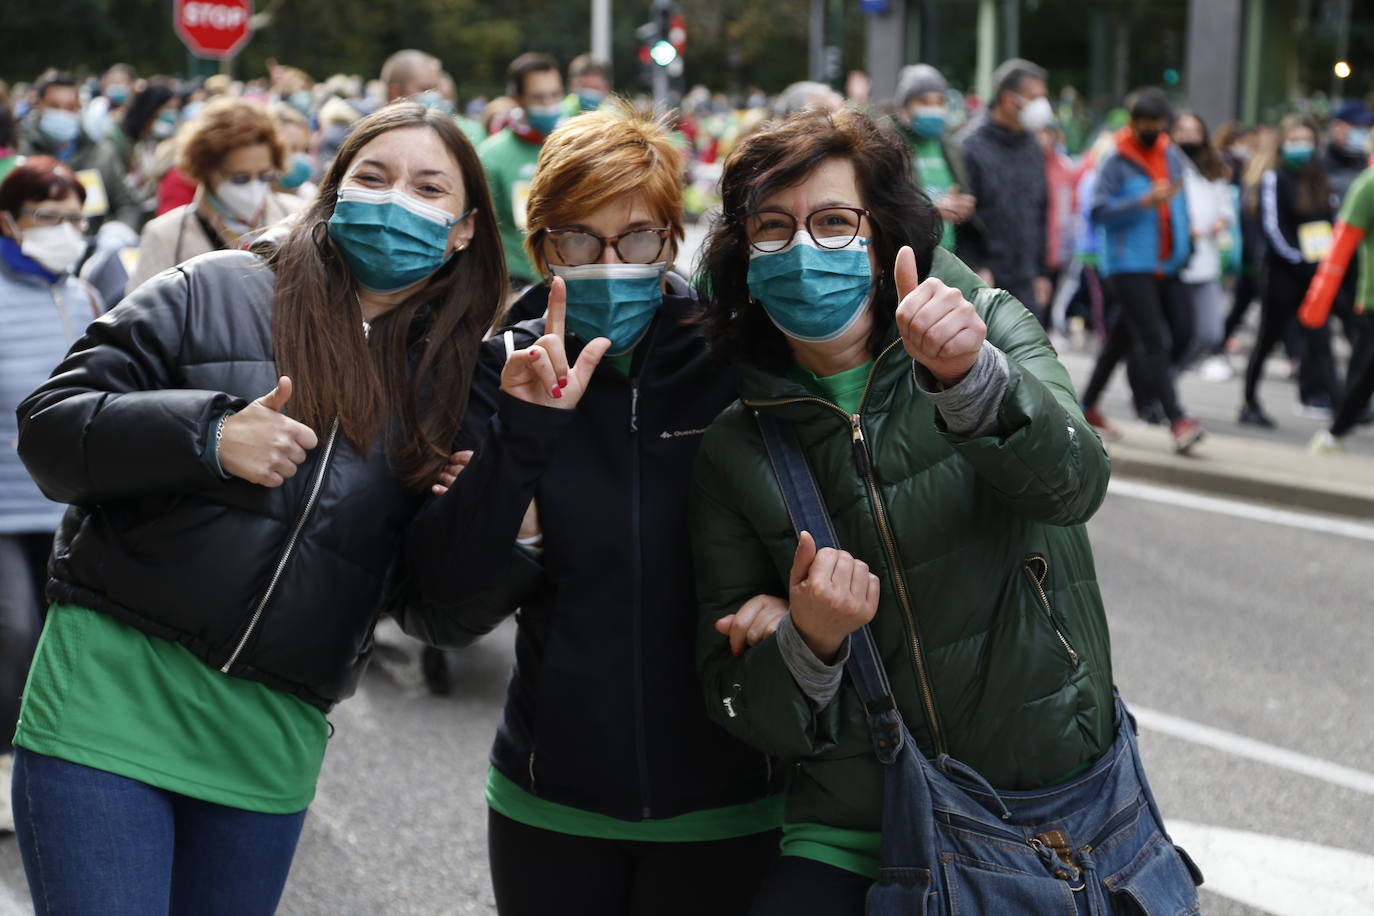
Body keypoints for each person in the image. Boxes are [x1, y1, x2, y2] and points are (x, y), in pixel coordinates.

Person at [10, 101, 505, 914]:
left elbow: (435, 613)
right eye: (372, 178)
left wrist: (500, 522)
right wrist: (205, 434)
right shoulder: (217, 288)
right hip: (110, 700)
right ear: (332, 191)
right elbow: (52, 431)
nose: (394, 203)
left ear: (462, 230)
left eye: (428, 188)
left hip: (271, 740)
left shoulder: (455, 389)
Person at [689, 108, 1181, 913]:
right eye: (771, 229)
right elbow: (738, 702)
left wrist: (969, 382)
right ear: (743, 258)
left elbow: (1075, 484)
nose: (803, 250)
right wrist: (805, 642)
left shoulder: (985, 324)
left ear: (885, 239)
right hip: (857, 817)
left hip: (1043, 812)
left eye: (834, 222)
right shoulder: (737, 443)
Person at [397, 104, 785, 916]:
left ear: (671, 240)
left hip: (728, 801)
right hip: (551, 799)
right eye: (580, 238)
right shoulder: (493, 369)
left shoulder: (731, 360)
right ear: (541, 246)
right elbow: (441, 606)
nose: (611, 261)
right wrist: (524, 444)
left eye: (637, 237)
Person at [0, 158, 102, 834]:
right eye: (49, 218)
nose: (65, 232)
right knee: (12, 628)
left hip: (68, 503)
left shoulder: (88, 296)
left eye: (75, 219)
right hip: (4, 508)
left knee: (58, 640)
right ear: (9, 221)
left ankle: (46, 763)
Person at [1091, 88, 1203, 451]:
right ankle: (1178, 420)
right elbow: (1098, 210)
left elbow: (1181, 201)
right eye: (1147, 123)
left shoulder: (1170, 154)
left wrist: (1186, 245)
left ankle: (1086, 404)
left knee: (1144, 337)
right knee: (1155, 339)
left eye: (1159, 123)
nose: (1154, 129)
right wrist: (1142, 201)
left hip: (1167, 261)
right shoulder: (1115, 159)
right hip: (1128, 264)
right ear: (1134, 123)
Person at [125, 98, 305, 294]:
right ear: (207, 170)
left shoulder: (297, 216)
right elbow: (143, 314)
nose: (254, 187)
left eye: (265, 176)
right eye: (240, 178)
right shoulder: (167, 235)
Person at [1239, 115, 1343, 427]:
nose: (1301, 146)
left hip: (1314, 271)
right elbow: (1273, 228)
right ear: (1283, 143)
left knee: (1321, 337)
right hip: (1282, 272)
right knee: (1268, 337)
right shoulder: (1274, 177)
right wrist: (1299, 259)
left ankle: (1341, 405)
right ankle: (1249, 400)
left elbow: (1328, 221)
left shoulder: (1317, 175)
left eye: (1306, 140)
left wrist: (1324, 262)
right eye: (1294, 140)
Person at [959, 58, 1052, 321]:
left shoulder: (1033, 148)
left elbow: (1040, 212)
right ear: (1008, 98)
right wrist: (975, 267)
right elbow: (963, 217)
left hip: (1026, 280)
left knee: (1030, 359)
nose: (1042, 106)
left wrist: (1042, 272)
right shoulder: (969, 147)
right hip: (985, 281)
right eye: (1034, 97)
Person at [1304, 135, 1374, 453]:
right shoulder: (1368, 185)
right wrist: (1318, 303)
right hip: (1373, 299)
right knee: (1366, 372)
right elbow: (1339, 248)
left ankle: (1335, 432)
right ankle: (1334, 434)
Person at [480, 53, 565, 288]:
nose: (549, 106)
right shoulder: (492, 156)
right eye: (538, 98)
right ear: (517, 99)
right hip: (516, 284)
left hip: (570, 278)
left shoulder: (576, 147)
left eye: (555, 95)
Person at [17, 72, 139, 229]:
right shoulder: (21, 153)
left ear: (79, 108)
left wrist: (119, 232)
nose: (62, 113)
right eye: (54, 106)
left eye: (70, 107)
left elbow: (127, 204)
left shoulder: (101, 153)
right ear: (39, 105)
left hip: (90, 246)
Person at [1173, 110, 1239, 372]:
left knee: (1209, 333)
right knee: (1180, 333)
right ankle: (1164, 392)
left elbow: (1226, 209)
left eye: (1195, 131)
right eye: (1183, 130)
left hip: (1207, 260)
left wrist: (1221, 222)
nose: (1189, 137)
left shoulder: (1214, 169)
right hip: (1177, 262)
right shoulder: (1169, 164)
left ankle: (1168, 381)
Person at [892, 64, 976, 255]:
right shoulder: (888, 145)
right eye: (923, 101)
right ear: (904, 107)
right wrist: (931, 211)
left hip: (947, 257)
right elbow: (885, 205)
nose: (934, 109)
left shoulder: (950, 146)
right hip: (908, 256)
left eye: (940, 101)